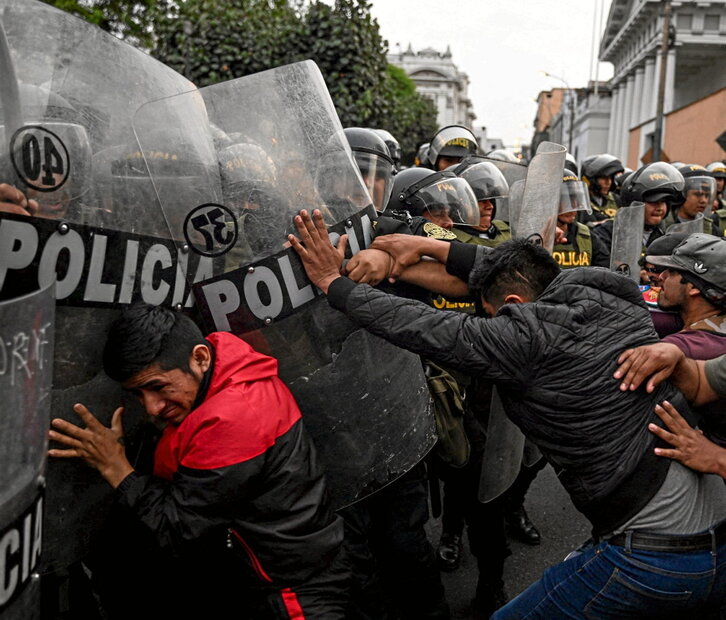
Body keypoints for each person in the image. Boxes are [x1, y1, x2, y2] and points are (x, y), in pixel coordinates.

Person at [289, 209, 726, 619]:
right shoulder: (613, 292)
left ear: (516, 303)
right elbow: (522, 269)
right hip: (713, 531)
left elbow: (420, 325)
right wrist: (429, 249)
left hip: (654, 555)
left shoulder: (521, 339)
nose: (496, 323)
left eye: (496, 315)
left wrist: (333, 282)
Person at [47, 304, 348, 619]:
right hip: (282, 572)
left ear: (201, 358)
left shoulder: (230, 419)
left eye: (158, 387)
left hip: (291, 591)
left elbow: (177, 531)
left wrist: (117, 468)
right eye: (138, 394)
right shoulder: (229, 369)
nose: (151, 408)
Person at [552, 172, 609, 268]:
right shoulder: (535, 237)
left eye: (576, 198)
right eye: (566, 199)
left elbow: (605, 270)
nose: (574, 205)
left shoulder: (586, 235)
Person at [662, 164, 718, 235]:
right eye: (698, 194)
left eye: (707, 195)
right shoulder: (662, 228)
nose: (704, 200)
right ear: (680, 195)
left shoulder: (711, 230)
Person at [578, 153, 624, 225]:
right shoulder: (580, 202)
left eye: (610, 178)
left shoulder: (616, 200)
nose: (608, 182)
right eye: (603, 178)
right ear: (590, 180)